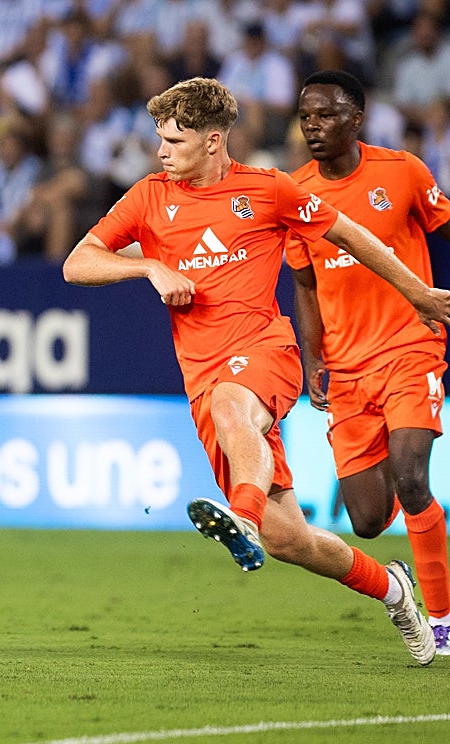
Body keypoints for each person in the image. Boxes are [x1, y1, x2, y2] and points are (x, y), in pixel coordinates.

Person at [61, 77, 450, 666]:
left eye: (174, 139)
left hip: (265, 351)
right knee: (288, 539)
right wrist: (146, 271)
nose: (161, 151)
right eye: (159, 139)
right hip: (202, 373)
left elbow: (353, 236)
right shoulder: (148, 196)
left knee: (231, 405)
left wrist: (417, 292)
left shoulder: (269, 189)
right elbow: (76, 263)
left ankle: (239, 516)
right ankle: (395, 591)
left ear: (214, 141)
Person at [285, 70, 450, 654]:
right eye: (306, 116)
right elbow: (303, 285)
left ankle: (442, 621)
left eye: (325, 115)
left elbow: (445, 225)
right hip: (348, 370)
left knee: (412, 479)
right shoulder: (297, 193)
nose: (313, 126)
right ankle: (401, 577)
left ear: (356, 118)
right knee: (367, 520)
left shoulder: (401, 171)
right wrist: (313, 359)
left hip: (410, 347)